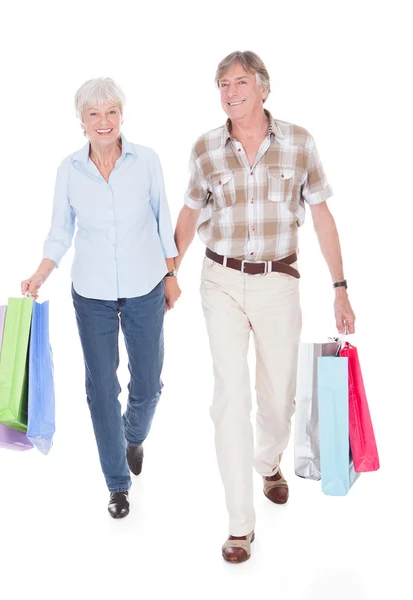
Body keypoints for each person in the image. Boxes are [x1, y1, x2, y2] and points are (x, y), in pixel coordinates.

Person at [173, 51, 355, 563]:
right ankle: (239, 524)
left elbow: (322, 218)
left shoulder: (299, 142)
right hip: (221, 280)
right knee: (230, 396)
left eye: (240, 82)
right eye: (223, 85)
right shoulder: (206, 148)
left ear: (263, 88)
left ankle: (268, 460)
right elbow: (189, 214)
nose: (231, 92)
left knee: (278, 400)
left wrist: (340, 286)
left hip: (279, 281)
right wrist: (171, 270)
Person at [22, 77, 180, 519]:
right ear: (82, 122)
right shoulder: (68, 170)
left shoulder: (146, 161)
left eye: (111, 111)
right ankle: (117, 483)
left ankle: (133, 435)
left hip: (146, 287)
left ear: (122, 115)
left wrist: (171, 275)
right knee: (101, 388)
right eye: (94, 114)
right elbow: (60, 231)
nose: (103, 121)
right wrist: (40, 273)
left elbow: (162, 218)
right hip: (91, 294)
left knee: (147, 385)